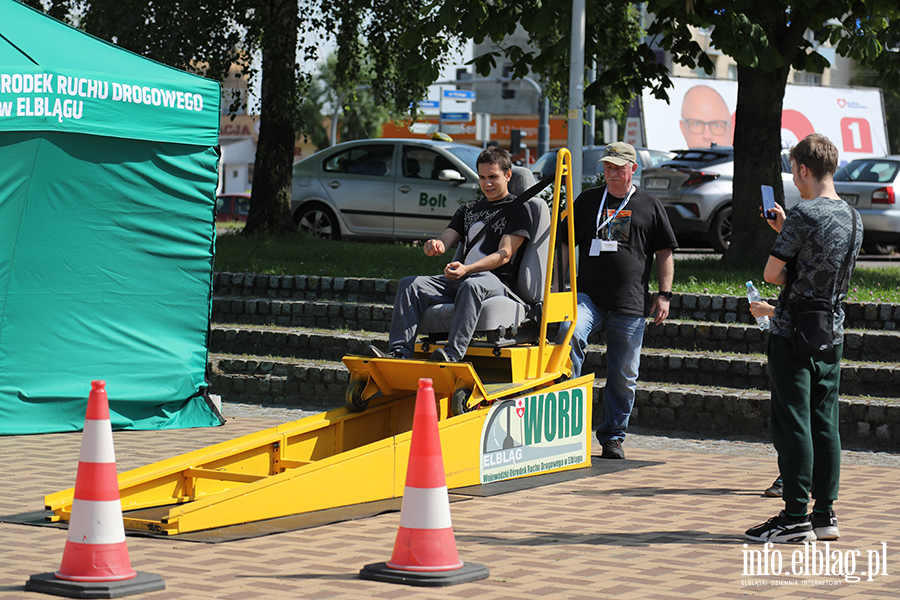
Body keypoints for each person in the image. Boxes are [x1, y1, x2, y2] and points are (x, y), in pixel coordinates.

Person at [744, 133, 862, 544]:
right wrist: (787, 231)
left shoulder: (804, 214)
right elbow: (825, 267)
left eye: (793, 170)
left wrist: (785, 231)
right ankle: (825, 515)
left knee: (793, 422)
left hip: (792, 330)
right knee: (825, 423)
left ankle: (794, 516)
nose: (793, 178)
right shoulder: (853, 217)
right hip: (832, 330)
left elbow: (772, 274)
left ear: (804, 169)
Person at [560, 142, 678, 459]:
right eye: (607, 167)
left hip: (630, 304)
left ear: (632, 169)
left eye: (618, 168)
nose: (612, 173)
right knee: (568, 334)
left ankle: (613, 436)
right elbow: (559, 241)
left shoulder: (650, 205)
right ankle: (566, 426)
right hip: (588, 297)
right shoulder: (587, 201)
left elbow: (665, 254)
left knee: (624, 374)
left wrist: (664, 294)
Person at [366, 146, 533, 362]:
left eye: (493, 177)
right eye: (482, 177)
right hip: (460, 277)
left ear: (508, 175)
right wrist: (435, 245)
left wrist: (468, 269)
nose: (487, 183)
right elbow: (446, 239)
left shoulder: (518, 209)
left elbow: (504, 254)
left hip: (494, 281)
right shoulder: (468, 210)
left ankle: (452, 356)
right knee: (409, 285)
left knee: (471, 285)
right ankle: (399, 354)